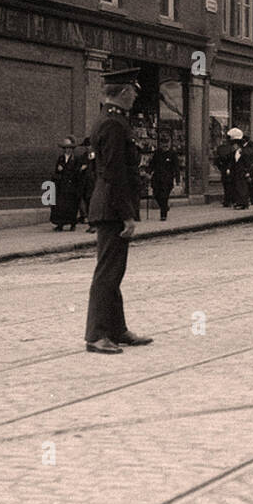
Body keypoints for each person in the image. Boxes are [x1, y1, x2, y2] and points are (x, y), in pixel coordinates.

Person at [83, 68, 151, 355]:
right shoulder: (113, 124)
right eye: (133, 91)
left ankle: (117, 329)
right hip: (112, 207)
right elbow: (114, 173)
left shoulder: (112, 120)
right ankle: (97, 335)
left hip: (109, 204)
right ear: (123, 92)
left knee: (114, 271)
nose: (135, 95)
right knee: (108, 272)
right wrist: (127, 215)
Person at [50, 137, 81, 231]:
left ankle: (72, 223)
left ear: (72, 149)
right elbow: (57, 171)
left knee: (71, 205)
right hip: (61, 185)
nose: (67, 150)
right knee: (60, 205)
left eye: (69, 148)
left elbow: (76, 172)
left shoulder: (76, 159)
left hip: (71, 186)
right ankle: (60, 224)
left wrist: (64, 170)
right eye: (66, 148)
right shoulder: (61, 158)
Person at [148, 135, 180, 222]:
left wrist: (177, 180)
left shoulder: (172, 154)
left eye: (167, 144)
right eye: (163, 144)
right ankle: (165, 207)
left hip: (167, 179)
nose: (165, 146)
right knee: (156, 195)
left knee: (164, 196)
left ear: (169, 144)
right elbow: (152, 164)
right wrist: (148, 172)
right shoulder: (157, 153)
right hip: (157, 178)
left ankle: (163, 215)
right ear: (161, 144)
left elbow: (176, 168)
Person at [226, 127, 252, 209]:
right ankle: (238, 202)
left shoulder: (244, 152)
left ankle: (244, 203)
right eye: (234, 145)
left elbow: (247, 163)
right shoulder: (234, 153)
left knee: (243, 187)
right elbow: (232, 162)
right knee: (237, 187)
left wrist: (247, 171)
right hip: (236, 172)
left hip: (242, 172)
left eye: (235, 145)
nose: (234, 146)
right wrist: (229, 169)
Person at [213, 134, 234, 207]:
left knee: (227, 185)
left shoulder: (221, 148)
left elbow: (217, 159)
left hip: (225, 169)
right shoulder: (231, 148)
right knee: (228, 185)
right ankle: (228, 200)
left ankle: (227, 200)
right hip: (228, 169)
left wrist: (221, 167)